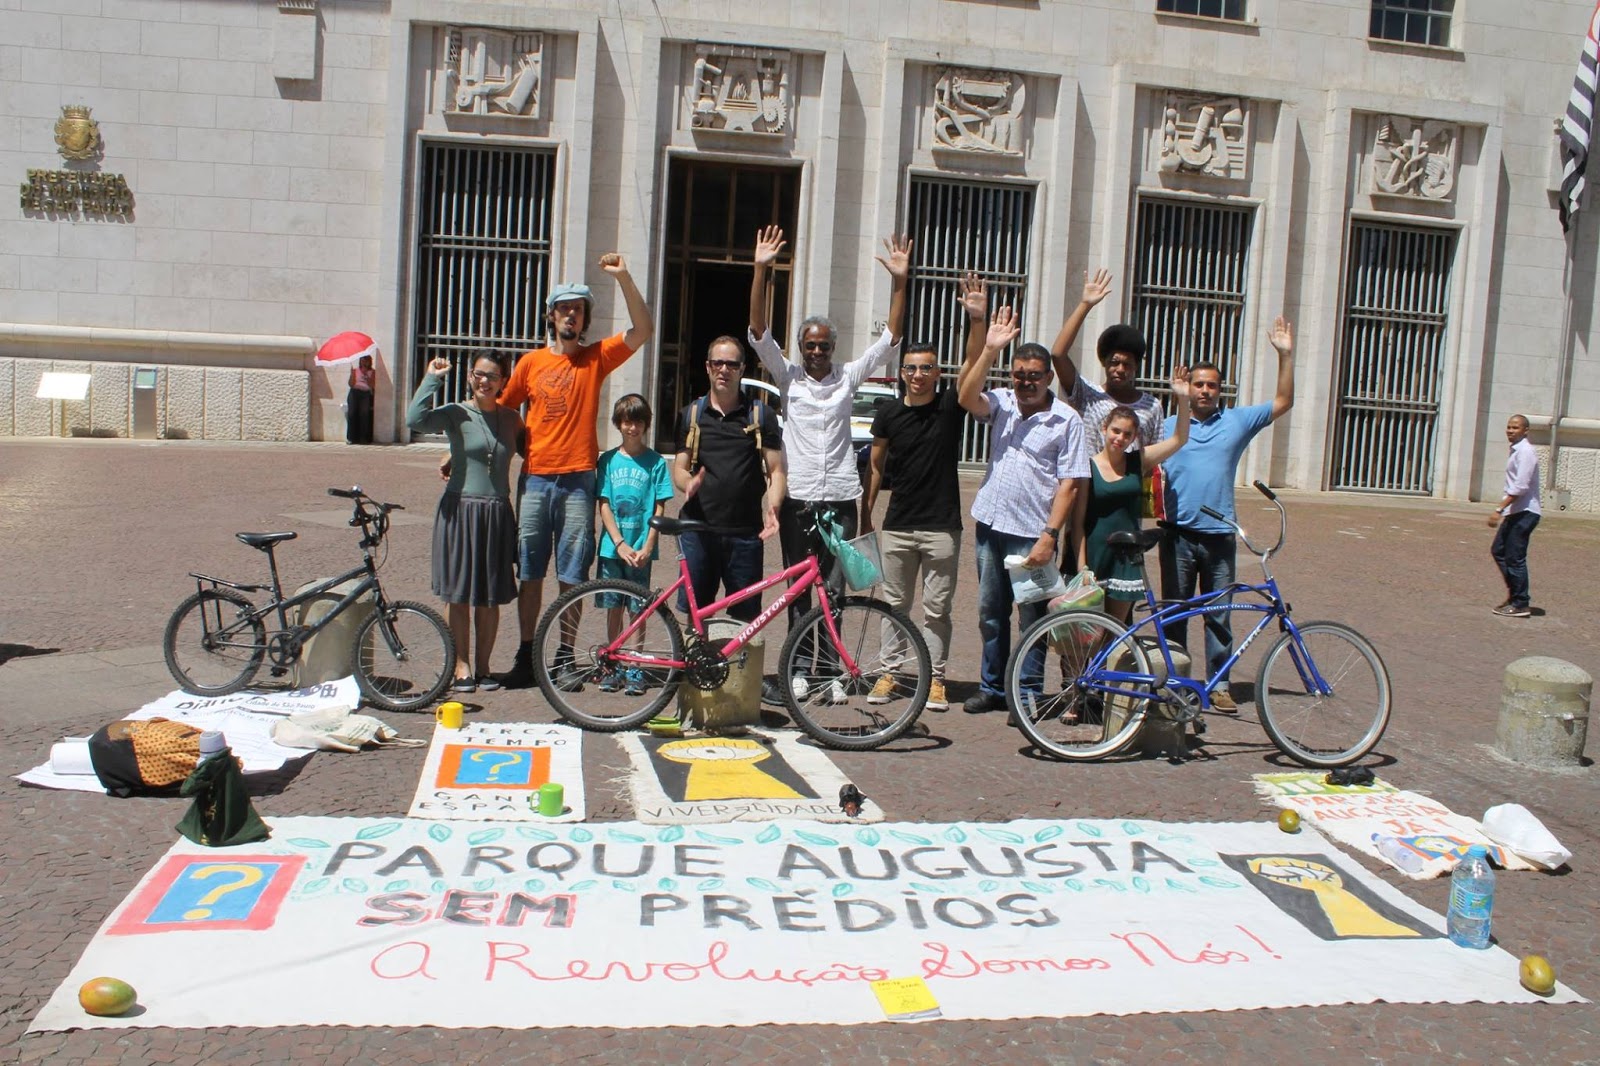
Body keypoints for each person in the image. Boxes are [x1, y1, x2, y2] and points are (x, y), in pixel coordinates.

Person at [499, 254, 654, 688]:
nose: (571, 315)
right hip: (535, 480)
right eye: (564, 308)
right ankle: (528, 654)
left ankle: (565, 656)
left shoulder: (594, 358)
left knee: (572, 576)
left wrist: (624, 277)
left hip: (578, 482)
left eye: (578, 310)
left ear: (585, 319)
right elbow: (502, 412)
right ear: (551, 315)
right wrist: (461, 451)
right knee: (530, 573)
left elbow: (643, 329)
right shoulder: (530, 363)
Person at [747, 226, 909, 630]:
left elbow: (890, 340)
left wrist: (900, 281)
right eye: (810, 345)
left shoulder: (848, 377)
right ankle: (800, 661)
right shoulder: (788, 377)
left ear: (833, 348)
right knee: (799, 588)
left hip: (840, 499)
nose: (817, 351)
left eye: (823, 345)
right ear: (801, 347)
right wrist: (760, 270)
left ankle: (830, 663)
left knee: (835, 590)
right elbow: (760, 334)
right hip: (798, 499)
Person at [957, 296, 1090, 715]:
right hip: (991, 526)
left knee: (1032, 618)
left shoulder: (1067, 420)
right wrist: (989, 349)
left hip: (1032, 533)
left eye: (1034, 376)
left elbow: (1070, 484)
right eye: (1019, 375)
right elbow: (966, 397)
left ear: (1048, 376)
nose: (1025, 383)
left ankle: (1027, 695)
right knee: (990, 613)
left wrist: (1050, 536)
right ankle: (993, 688)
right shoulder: (1002, 404)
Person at [1158, 316, 1295, 712]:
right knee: (1175, 614)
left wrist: (1285, 356)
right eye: (1198, 384)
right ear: (1187, 387)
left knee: (1219, 615)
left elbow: (1283, 402)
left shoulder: (1236, 422)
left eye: (1212, 385)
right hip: (1177, 535)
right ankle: (1177, 681)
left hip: (1220, 537)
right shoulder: (1168, 425)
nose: (1205, 390)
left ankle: (1219, 685)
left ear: (1221, 390)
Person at [672, 337, 787, 703]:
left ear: (742, 370)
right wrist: (688, 483)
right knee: (696, 614)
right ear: (707, 367)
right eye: (717, 363)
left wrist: (773, 507)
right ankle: (693, 683)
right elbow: (679, 466)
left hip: (744, 534)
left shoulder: (759, 415)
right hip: (698, 531)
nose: (724, 370)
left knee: (746, 617)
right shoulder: (691, 414)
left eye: (732, 364)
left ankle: (743, 686)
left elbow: (776, 470)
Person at [406, 350, 525, 692]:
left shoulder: (512, 419)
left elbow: (535, 451)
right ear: (470, 376)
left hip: (496, 512)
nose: (484, 381)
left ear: (503, 381)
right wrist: (432, 378)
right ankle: (461, 666)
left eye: (492, 376)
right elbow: (415, 420)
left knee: (489, 597)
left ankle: (484, 667)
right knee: (458, 594)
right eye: (479, 374)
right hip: (460, 510)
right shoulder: (456, 413)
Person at [860, 338, 965, 712]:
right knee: (894, 606)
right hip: (898, 525)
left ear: (938, 373)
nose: (918, 374)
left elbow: (974, 361)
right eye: (911, 367)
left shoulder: (950, 406)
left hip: (942, 527)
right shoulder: (888, 413)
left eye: (926, 367)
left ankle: (935, 679)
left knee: (937, 610)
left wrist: (977, 322)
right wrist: (865, 513)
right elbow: (875, 466)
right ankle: (889, 673)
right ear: (901, 373)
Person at [1073, 370, 1192, 622]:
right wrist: (1081, 567)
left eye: (1127, 434)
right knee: (1087, 633)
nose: (1120, 438)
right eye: (1115, 431)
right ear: (1104, 429)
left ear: (1134, 437)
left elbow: (1180, 439)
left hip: (1125, 557)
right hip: (1095, 555)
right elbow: (1078, 523)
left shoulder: (1138, 460)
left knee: (1116, 630)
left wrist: (1183, 399)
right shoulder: (1087, 467)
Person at [594, 394, 675, 694]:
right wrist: (618, 543)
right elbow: (604, 504)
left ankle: (635, 664)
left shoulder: (656, 463)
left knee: (638, 608)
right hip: (613, 547)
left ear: (646, 424)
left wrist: (648, 545)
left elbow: (659, 506)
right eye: (627, 422)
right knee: (613, 606)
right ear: (619, 424)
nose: (632, 428)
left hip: (640, 548)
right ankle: (613, 661)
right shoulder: (607, 460)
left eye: (638, 422)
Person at [1048, 270, 1167, 454]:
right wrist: (1085, 305)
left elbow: (1155, 454)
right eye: (1114, 362)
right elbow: (1058, 354)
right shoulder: (1087, 395)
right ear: (1104, 361)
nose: (1120, 369)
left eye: (1127, 364)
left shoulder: (1152, 406)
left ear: (1136, 366)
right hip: (1091, 472)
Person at [1488, 414, 1541, 618]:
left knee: (1515, 558)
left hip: (1526, 511)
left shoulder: (1526, 452)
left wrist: (1499, 509)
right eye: (1509, 427)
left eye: (1515, 427)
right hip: (1516, 511)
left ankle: (1520, 603)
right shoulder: (1516, 450)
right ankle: (1515, 596)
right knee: (1499, 551)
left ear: (1525, 430)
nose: (1510, 430)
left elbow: (1520, 486)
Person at [346, 354, 375, 445]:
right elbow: (351, 384)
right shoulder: (355, 370)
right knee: (351, 414)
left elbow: (372, 385)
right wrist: (352, 374)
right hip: (354, 392)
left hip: (365, 394)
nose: (364, 362)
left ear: (369, 362)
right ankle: (351, 438)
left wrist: (366, 375)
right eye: (362, 360)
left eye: (366, 360)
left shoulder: (372, 372)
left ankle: (363, 438)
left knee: (364, 415)